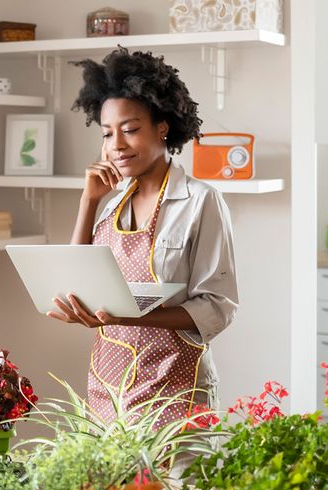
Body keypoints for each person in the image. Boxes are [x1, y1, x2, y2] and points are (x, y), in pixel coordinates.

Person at [46, 47, 238, 426]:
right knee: (112, 488)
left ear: (162, 127)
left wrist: (127, 316)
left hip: (176, 389)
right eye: (107, 133)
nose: (116, 144)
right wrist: (88, 202)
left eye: (130, 129)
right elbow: (75, 279)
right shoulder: (111, 204)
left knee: (177, 488)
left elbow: (218, 307)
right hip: (109, 388)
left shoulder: (200, 202)